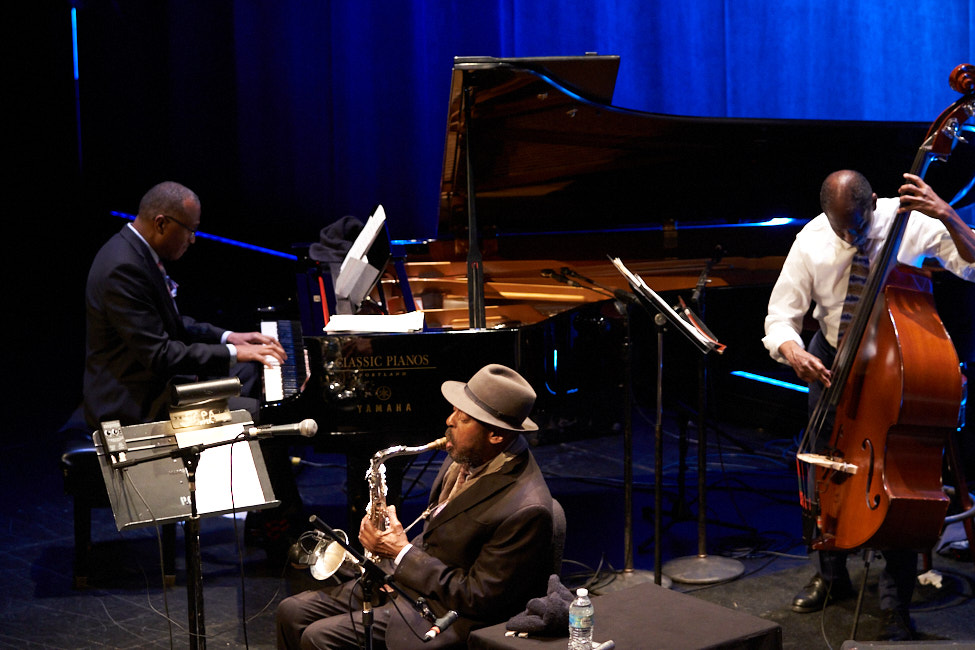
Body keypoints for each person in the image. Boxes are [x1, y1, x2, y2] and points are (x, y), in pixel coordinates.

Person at [763, 170, 975, 640]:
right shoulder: (813, 239)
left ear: (871, 205)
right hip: (833, 359)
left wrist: (947, 215)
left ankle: (895, 600)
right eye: (841, 227)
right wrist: (793, 351)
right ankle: (832, 577)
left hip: (895, 367)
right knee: (827, 467)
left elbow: (974, 264)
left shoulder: (910, 221)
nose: (849, 236)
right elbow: (781, 316)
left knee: (894, 479)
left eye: (857, 226)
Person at [83, 180, 302, 554]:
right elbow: (161, 355)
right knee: (255, 417)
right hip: (131, 403)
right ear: (163, 223)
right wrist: (234, 356)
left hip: (147, 383)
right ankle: (286, 532)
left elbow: (174, 323)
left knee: (250, 377)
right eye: (191, 230)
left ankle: (264, 517)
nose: (193, 240)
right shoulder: (123, 267)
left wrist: (230, 338)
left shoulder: (137, 252)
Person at [276, 364, 555, 649]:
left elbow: (477, 596)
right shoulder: (469, 452)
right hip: (415, 582)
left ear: (496, 435)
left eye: (464, 418)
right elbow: (441, 533)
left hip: (448, 612)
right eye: (455, 410)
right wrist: (391, 562)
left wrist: (401, 554)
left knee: (317, 638)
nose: (449, 420)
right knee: (291, 611)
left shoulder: (526, 509)